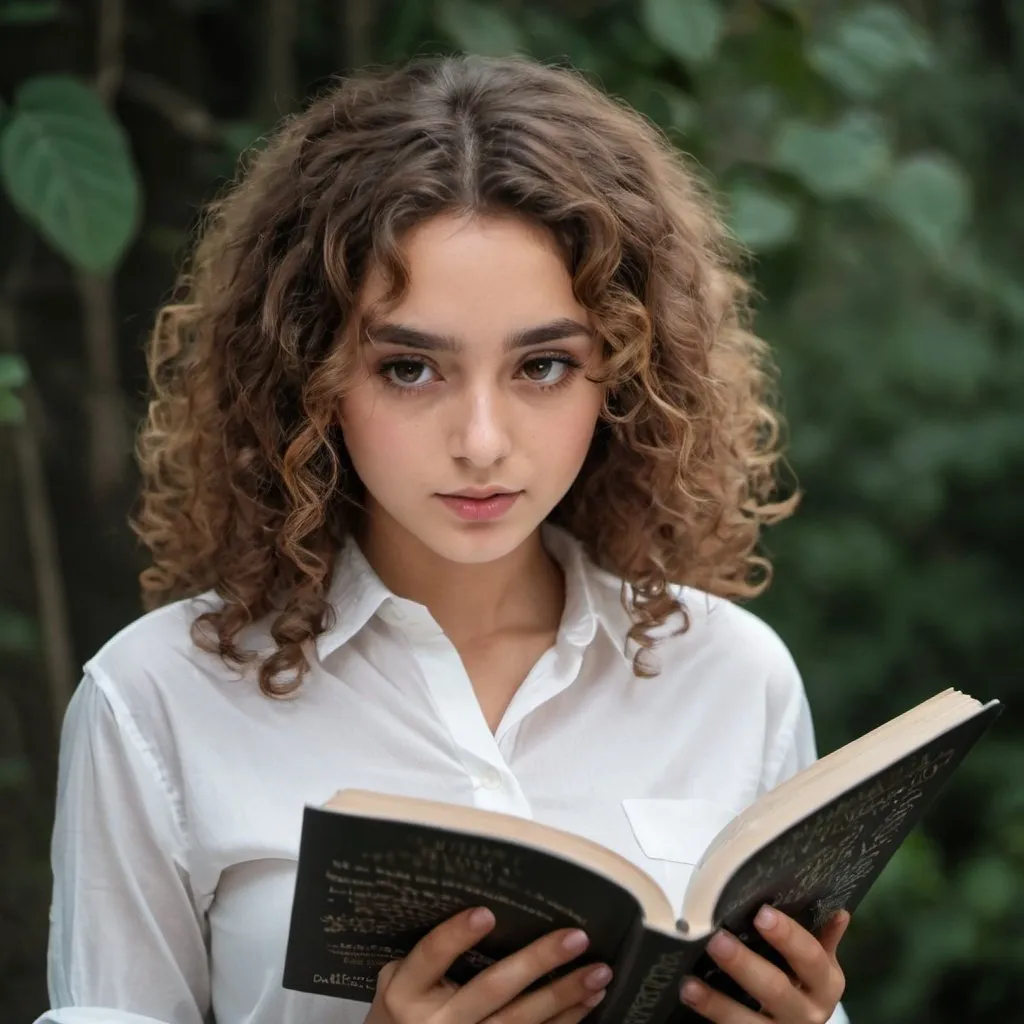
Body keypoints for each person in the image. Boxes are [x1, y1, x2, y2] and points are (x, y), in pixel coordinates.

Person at [36, 55, 851, 1024]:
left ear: (624, 373)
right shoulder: (157, 699)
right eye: (411, 368)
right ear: (311, 373)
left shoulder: (728, 678)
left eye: (542, 364)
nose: (480, 441)